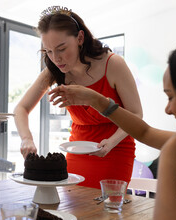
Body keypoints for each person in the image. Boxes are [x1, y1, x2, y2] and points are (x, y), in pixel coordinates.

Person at [49, 34, 176, 220]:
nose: (168, 110)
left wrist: (169, 155)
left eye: (171, 96)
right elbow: (145, 132)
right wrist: (97, 100)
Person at [13, 6, 142, 188]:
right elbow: (21, 108)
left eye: (61, 48)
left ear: (80, 38)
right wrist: (26, 138)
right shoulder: (53, 71)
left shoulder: (113, 64)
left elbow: (136, 114)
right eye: (48, 51)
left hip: (116, 149)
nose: (55, 58)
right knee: (73, 207)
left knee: (107, 209)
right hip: (77, 151)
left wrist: (111, 142)